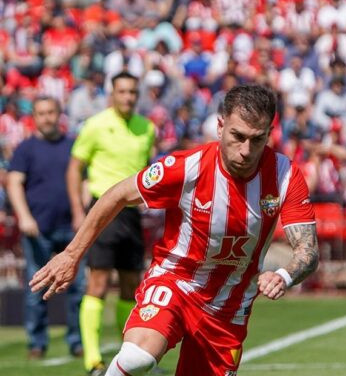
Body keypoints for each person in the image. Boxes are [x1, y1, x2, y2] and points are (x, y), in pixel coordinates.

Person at [30, 84, 319, 376]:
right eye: (238, 137)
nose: (246, 151)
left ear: (269, 134)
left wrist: (284, 275)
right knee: (137, 357)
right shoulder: (187, 167)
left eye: (257, 140)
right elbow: (116, 194)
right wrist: (71, 255)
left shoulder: (285, 175)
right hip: (175, 282)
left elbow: (308, 251)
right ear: (220, 127)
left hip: (228, 307)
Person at [67, 71, 156, 375]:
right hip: (101, 210)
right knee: (98, 282)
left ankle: (129, 355)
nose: (128, 97)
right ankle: (93, 360)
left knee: (132, 285)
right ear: (112, 94)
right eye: (122, 91)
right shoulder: (95, 126)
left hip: (131, 215)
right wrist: (80, 211)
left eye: (133, 92)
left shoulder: (148, 128)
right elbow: (75, 167)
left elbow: (148, 172)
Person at [6, 96, 85, 359]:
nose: (47, 117)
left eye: (51, 112)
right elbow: (14, 183)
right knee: (36, 288)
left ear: (59, 114)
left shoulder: (73, 146)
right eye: (41, 113)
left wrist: (82, 210)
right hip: (38, 230)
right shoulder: (25, 149)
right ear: (35, 117)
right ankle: (36, 344)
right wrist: (24, 217)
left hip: (72, 229)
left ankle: (77, 342)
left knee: (77, 288)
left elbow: (84, 179)